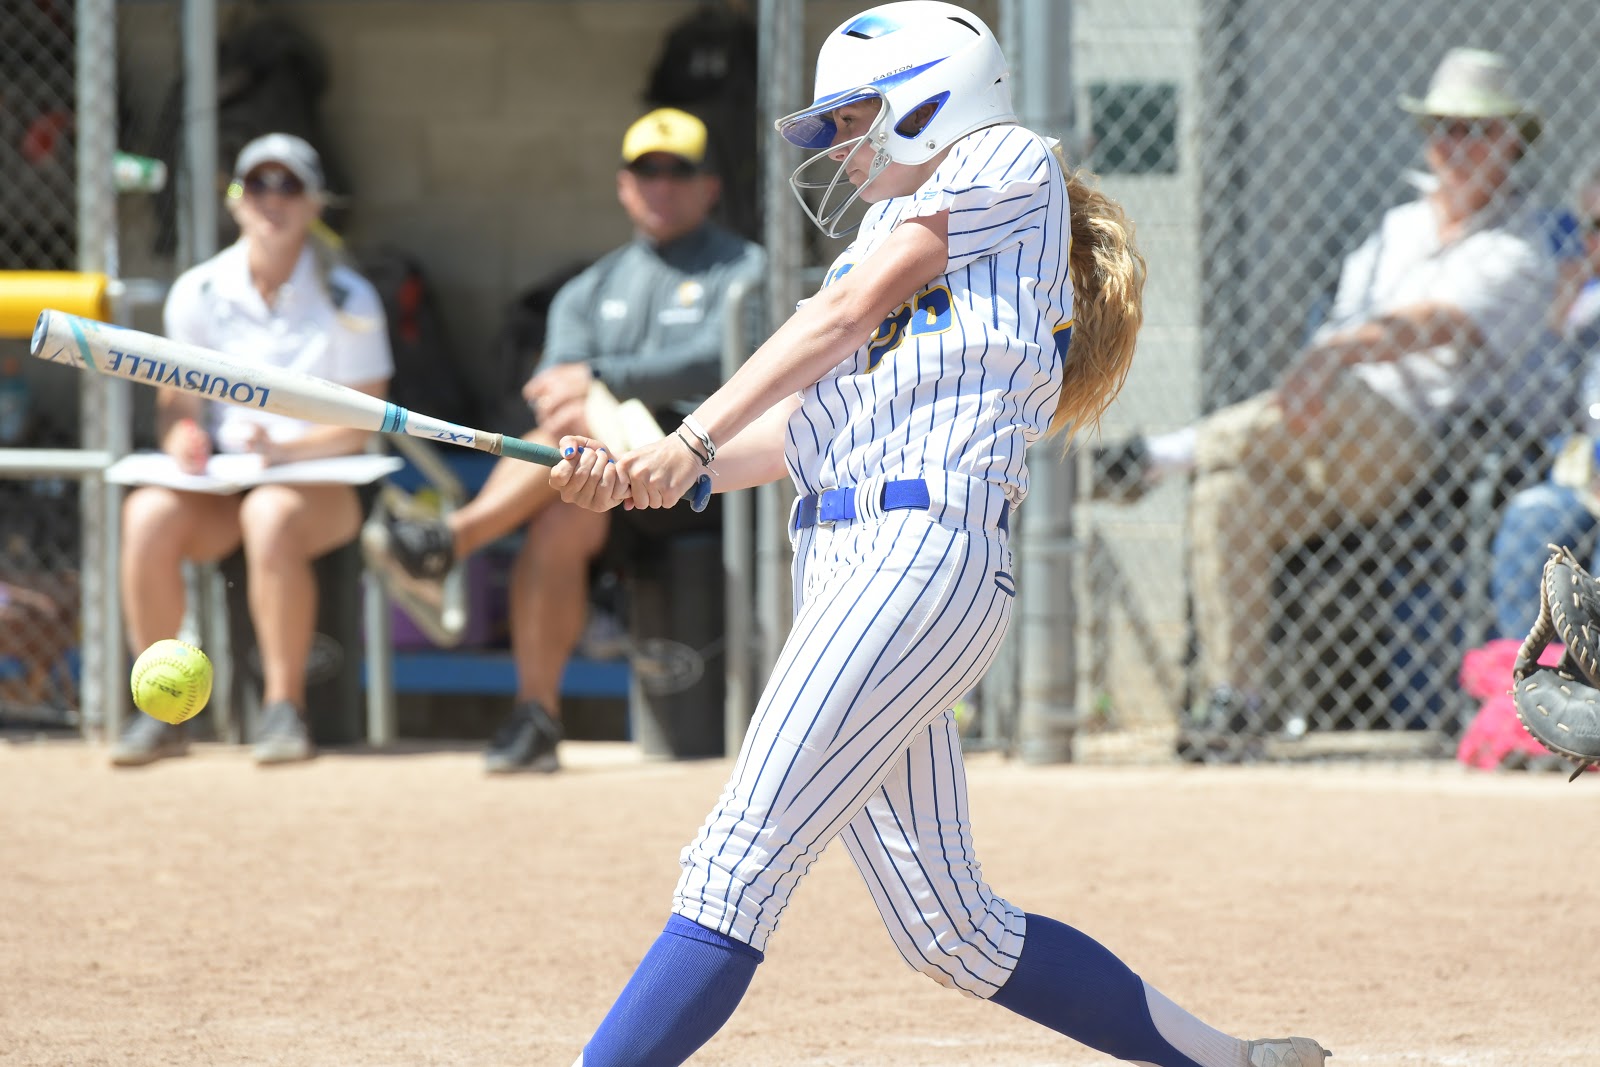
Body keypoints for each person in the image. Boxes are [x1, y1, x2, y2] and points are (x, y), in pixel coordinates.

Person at [547, 5, 1330, 1065]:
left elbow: (835, 322)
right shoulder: (889, 234)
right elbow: (804, 425)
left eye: (858, 113)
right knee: (949, 926)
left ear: (934, 95)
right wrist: (646, 473)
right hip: (851, 566)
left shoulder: (1006, 159)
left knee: (734, 862)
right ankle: (1230, 1061)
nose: (840, 140)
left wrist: (686, 434)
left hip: (916, 555)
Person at [1091, 47, 1557, 747]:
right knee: (1226, 490)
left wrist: (1333, 355)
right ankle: (1235, 700)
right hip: (1317, 442)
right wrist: (1329, 360)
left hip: (1415, 447)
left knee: (1333, 402)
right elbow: (1342, 325)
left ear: (1512, 142)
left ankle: (1159, 453)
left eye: (1474, 130)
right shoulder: (1399, 226)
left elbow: (1436, 325)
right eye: (1441, 128)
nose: (1451, 146)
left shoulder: (1521, 247)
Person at [360, 107, 766, 774]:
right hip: (607, 487)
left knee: (568, 417)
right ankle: (536, 714)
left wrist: (605, 375)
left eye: (679, 170)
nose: (661, 184)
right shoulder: (589, 286)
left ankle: (448, 541)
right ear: (623, 185)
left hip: (710, 478)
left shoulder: (745, 268)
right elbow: (555, 382)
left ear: (710, 185)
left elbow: (735, 359)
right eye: (647, 170)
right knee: (556, 511)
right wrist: (587, 387)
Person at [111, 133, 394, 767]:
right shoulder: (198, 290)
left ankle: (283, 709)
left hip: (323, 482)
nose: (272, 200)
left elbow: (362, 426)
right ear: (235, 200)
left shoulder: (351, 296)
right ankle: (162, 711)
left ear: (316, 203)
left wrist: (287, 456)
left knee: (270, 512)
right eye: (256, 185)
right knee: (148, 514)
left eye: (288, 186)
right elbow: (177, 408)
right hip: (225, 482)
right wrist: (182, 438)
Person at [1489, 161, 1600, 640]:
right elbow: (1535, 410)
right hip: (1589, 480)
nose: (1592, 241)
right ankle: (1530, 688)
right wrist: (1556, 326)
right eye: (1591, 227)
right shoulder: (1585, 311)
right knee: (1532, 517)